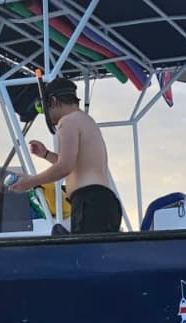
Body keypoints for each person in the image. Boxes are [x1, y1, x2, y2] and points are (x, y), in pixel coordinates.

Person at [9, 77, 121, 233]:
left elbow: (65, 167)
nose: (47, 116)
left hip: (89, 203)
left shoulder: (67, 122)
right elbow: (76, 163)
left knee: (83, 256)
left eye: (44, 109)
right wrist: (46, 154)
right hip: (104, 202)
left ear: (54, 102)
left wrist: (30, 182)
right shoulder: (86, 120)